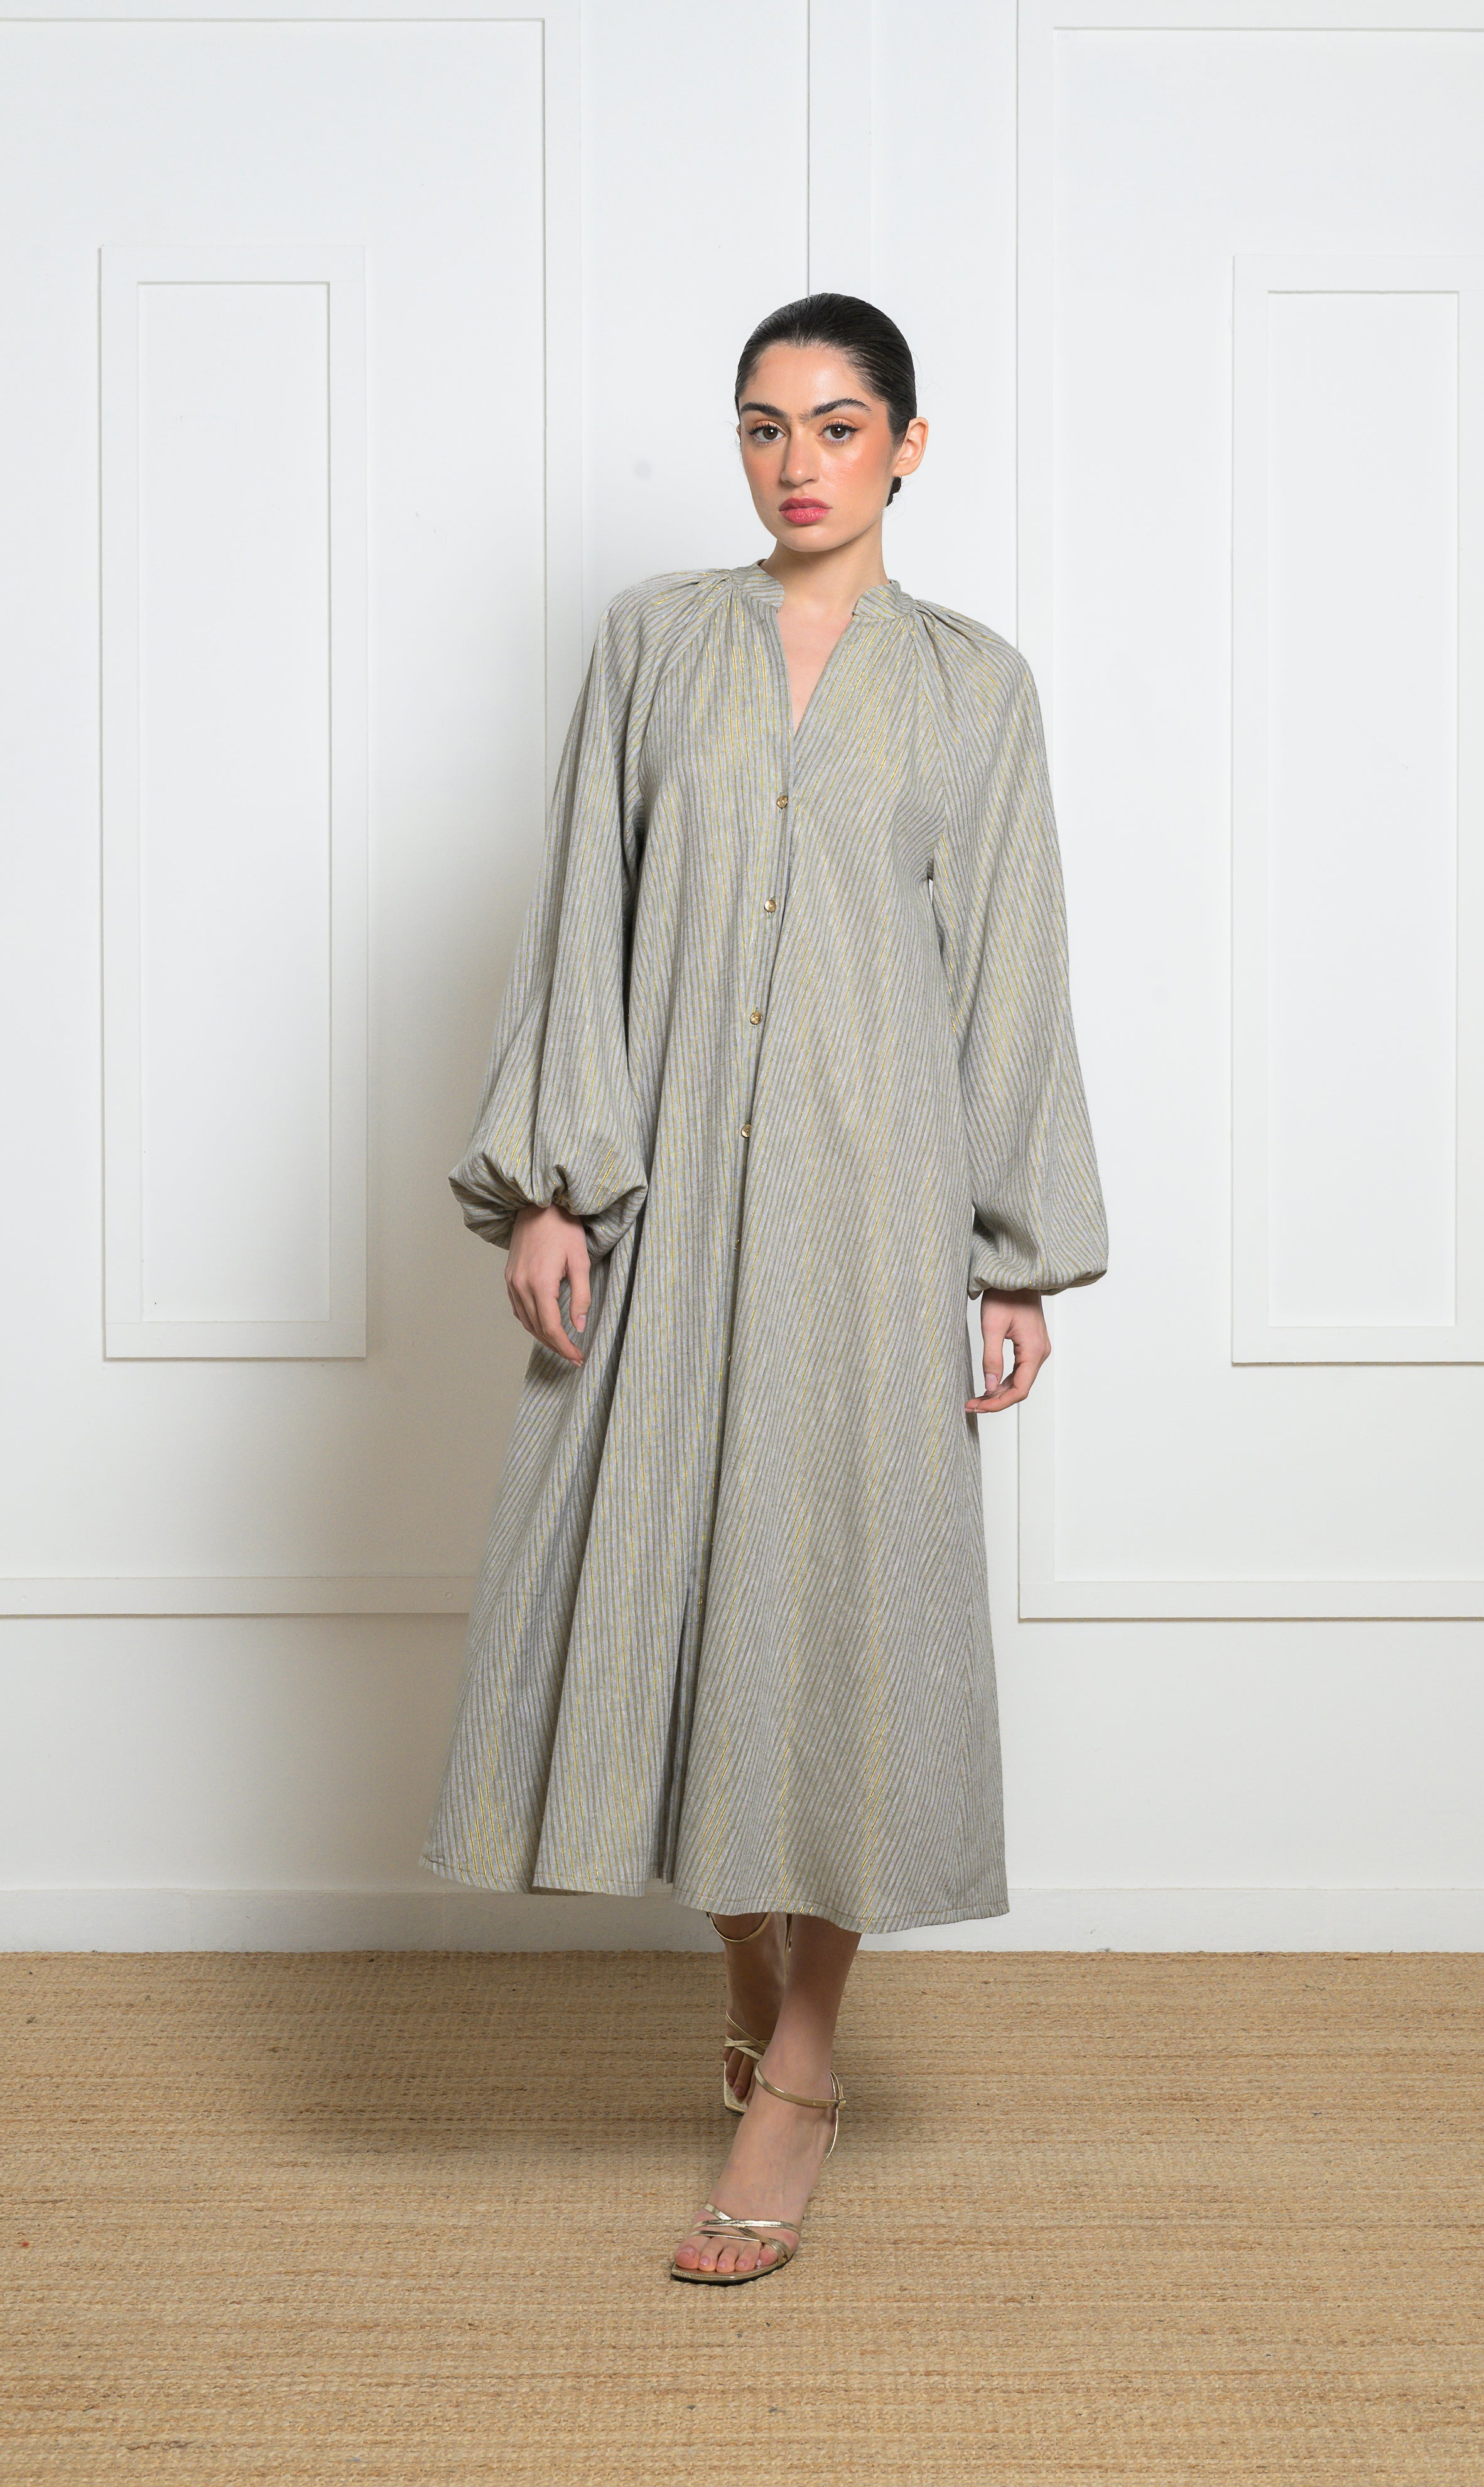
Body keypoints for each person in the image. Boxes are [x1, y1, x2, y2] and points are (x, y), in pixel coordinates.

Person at [421, 291, 1108, 2284]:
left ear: (909, 445)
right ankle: (752, 1974)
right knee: (669, 1601)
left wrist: (1016, 1256)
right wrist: (550, 1194)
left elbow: (1011, 976)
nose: (795, 463)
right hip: (666, 1202)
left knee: (849, 1619)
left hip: (877, 1217)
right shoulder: (653, 646)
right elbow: (583, 913)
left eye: (835, 424)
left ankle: (799, 2069)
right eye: (760, 426)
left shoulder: (975, 690)